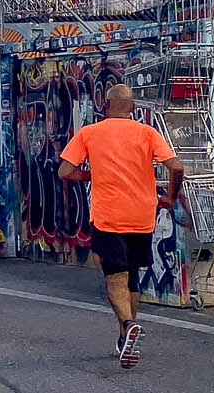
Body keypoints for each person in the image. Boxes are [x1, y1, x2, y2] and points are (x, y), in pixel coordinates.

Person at [57, 84, 183, 368]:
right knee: (132, 278)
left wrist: (90, 174)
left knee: (114, 277)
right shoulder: (147, 133)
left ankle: (127, 326)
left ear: (105, 104)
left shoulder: (90, 133)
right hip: (142, 216)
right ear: (133, 107)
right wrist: (170, 198)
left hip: (109, 217)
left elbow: (64, 171)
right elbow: (176, 167)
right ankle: (126, 335)